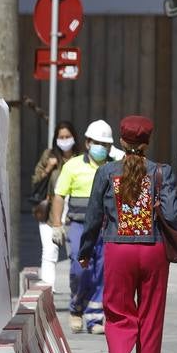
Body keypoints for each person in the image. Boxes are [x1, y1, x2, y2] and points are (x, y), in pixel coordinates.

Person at [78, 114, 177, 353]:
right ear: (148, 142)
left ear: (121, 142)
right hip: (153, 251)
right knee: (151, 318)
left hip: (118, 249)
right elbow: (173, 215)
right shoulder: (162, 172)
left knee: (118, 312)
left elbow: (93, 216)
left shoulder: (107, 172)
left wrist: (85, 250)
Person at [52, 119, 113, 333]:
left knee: (101, 270)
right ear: (87, 142)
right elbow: (59, 195)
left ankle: (95, 318)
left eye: (105, 144)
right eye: (97, 142)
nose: (101, 148)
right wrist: (57, 224)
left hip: (105, 227)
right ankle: (76, 308)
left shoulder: (113, 167)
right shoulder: (73, 166)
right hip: (79, 225)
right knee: (80, 268)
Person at [32, 121, 79, 290]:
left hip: (75, 211)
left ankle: (78, 292)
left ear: (74, 137)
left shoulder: (80, 158)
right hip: (51, 211)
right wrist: (49, 168)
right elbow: (35, 182)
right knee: (49, 252)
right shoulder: (49, 155)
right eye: (61, 137)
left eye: (68, 137)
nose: (65, 140)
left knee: (76, 253)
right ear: (56, 139)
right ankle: (47, 292)